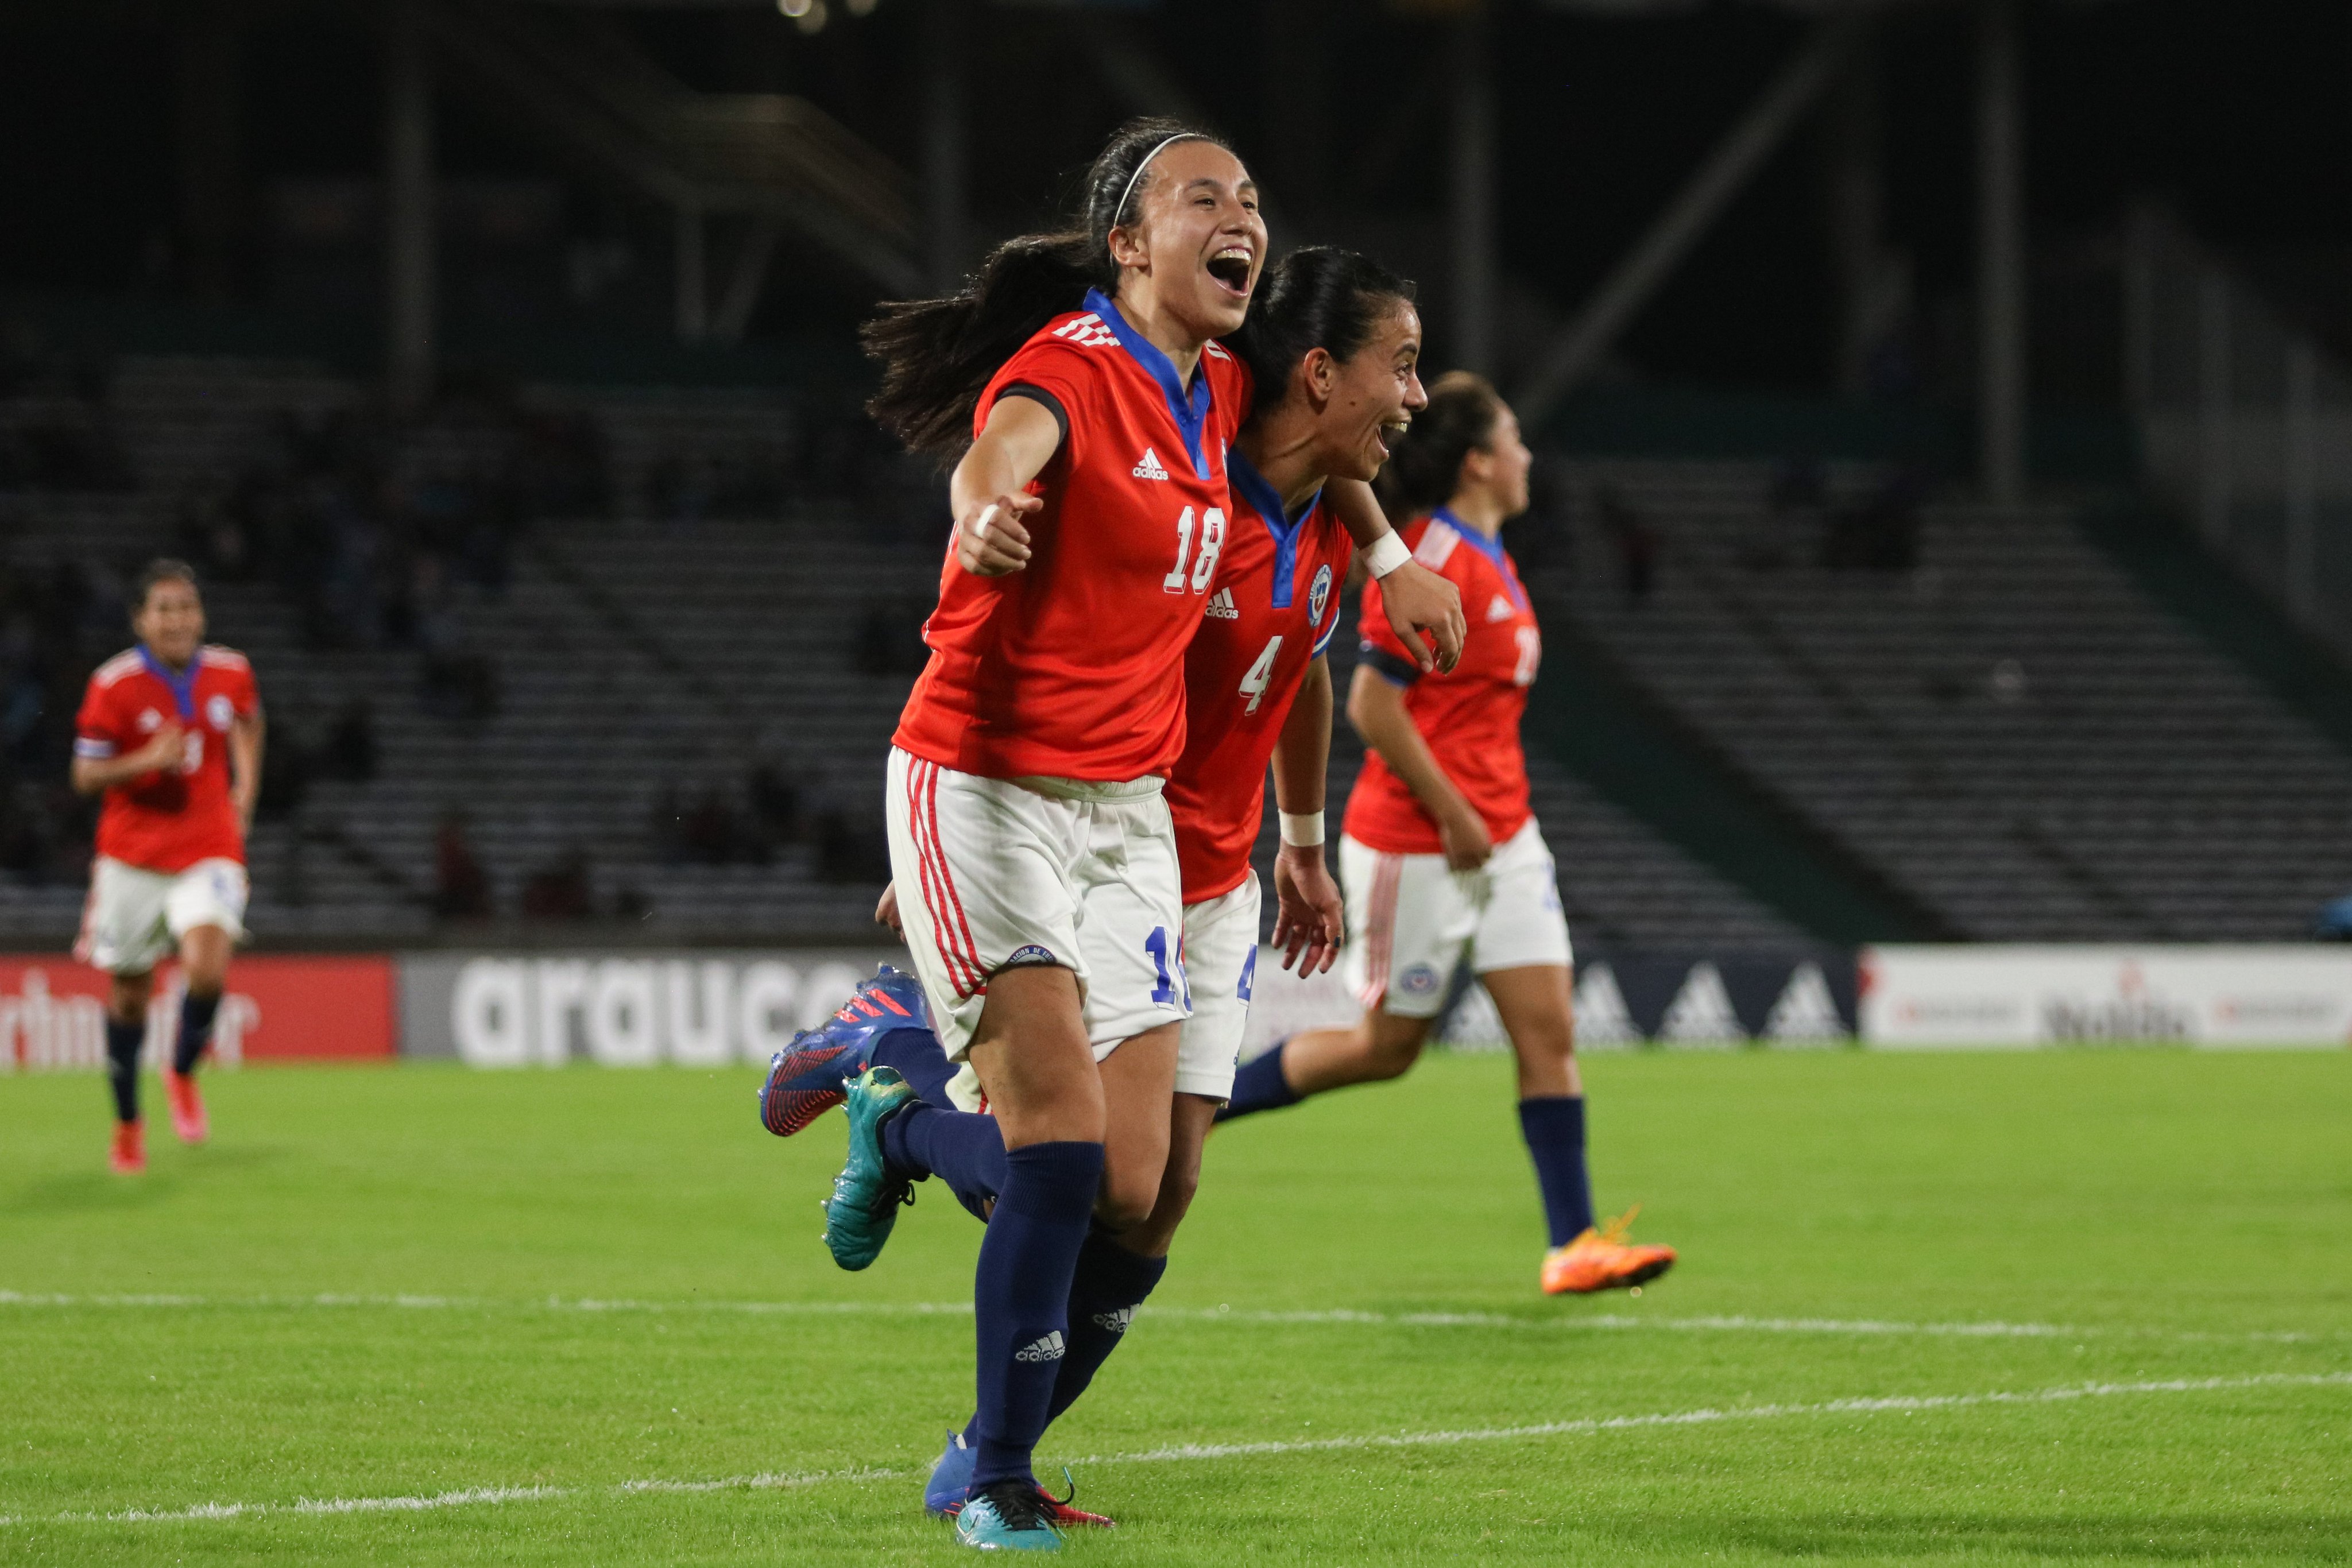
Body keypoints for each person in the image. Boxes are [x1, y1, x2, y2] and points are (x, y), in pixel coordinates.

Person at [788, 117, 1457, 1554]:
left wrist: (1393, 558)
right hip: (982, 779)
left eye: (1253, 199)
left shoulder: (1223, 388)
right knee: (1061, 1149)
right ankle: (989, 1456)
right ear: (1128, 242)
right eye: (1202, 197)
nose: (1241, 217)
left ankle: (905, 1131)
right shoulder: (1071, 373)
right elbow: (998, 448)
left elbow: (1324, 458)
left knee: (1141, 1186)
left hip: (1131, 813)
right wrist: (978, 515)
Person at [1214, 373, 1678, 1299]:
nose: (1527, 457)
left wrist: (1491, 822)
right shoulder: (1429, 553)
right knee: (1385, 1049)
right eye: (1514, 439)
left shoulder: (1488, 552)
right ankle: (1193, 1107)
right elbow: (1370, 702)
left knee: (1549, 1034)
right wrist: (1455, 812)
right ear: (1478, 462)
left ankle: (1572, 1243)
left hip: (1507, 842)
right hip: (1418, 844)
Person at [69, 560, 264, 1175]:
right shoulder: (113, 684)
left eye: (188, 607)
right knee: (129, 998)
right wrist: (145, 760)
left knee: (207, 969)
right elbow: (84, 775)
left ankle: (181, 1071)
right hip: (132, 857)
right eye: (165, 609)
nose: (178, 619)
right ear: (140, 619)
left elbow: (251, 721)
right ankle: (128, 1122)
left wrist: (245, 793)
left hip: (208, 844)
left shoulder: (231, 670)